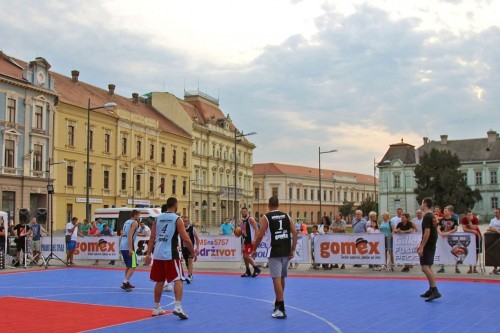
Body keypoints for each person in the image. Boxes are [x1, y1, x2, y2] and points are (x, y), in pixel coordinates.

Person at [145, 197, 197, 319]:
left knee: (159, 280)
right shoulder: (177, 219)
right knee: (178, 278)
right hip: (170, 254)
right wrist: (193, 251)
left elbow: (152, 238)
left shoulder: (157, 219)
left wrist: (148, 254)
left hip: (157, 254)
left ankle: (156, 307)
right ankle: (178, 306)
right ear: (175, 205)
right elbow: (185, 238)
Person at [252, 196, 298, 319]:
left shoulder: (266, 217)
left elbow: (260, 235)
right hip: (286, 250)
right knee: (282, 277)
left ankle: (281, 308)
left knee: (276, 279)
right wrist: (293, 249)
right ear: (278, 204)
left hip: (274, 250)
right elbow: (295, 232)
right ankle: (278, 302)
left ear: (268, 204)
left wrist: (254, 249)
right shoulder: (286, 216)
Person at [417, 198, 441, 302]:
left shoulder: (427, 217)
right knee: (428, 266)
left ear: (425, 204)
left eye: (422, 203)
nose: (421, 205)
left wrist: (422, 246)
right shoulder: (432, 216)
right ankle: (431, 289)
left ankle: (434, 289)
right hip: (431, 243)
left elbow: (427, 232)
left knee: (424, 267)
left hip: (428, 244)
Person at [119, 210, 139, 291]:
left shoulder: (126, 222)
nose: (139, 217)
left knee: (128, 265)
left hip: (123, 245)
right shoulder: (134, 223)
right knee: (133, 266)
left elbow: (123, 233)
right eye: (138, 215)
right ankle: (125, 282)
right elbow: (130, 236)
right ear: (135, 215)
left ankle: (127, 282)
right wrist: (131, 248)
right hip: (128, 246)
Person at [437, 206, 459, 274]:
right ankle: (442, 267)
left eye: (445, 211)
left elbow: (455, 228)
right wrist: (441, 233)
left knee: (454, 251)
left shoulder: (454, 220)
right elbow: (438, 228)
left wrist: (448, 233)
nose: (444, 212)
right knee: (443, 251)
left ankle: (456, 267)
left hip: (452, 238)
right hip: (443, 238)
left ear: (449, 212)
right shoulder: (442, 220)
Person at [241, 207, 261, 277]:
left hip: (251, 240)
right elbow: (243, 231)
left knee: (246, 256)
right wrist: (238, 232)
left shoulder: (251, 219)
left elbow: (256, 228)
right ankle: (248, 271)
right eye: (242, 211)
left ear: (247, 212)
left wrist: (255, 239)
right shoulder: (242, 220)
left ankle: (256, 268)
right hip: (246, 240)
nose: (243, 212)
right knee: (244, 256)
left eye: (244, 211)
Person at [181, 216, 200, 282]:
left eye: (186, 221)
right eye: (183, 221)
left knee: (190, 261)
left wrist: (197, 248)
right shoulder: (180, 229)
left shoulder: (192, 229)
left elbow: (197, 239)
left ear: (188, 221)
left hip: (190, 248)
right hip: (183, 248)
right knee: (187, 263)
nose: (184, 223)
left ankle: (189, 276)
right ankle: (190, 274)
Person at [487, 208, 500, 275]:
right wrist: (497, 230)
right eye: (495, 212)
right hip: (493, 238)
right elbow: (489, 228)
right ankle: (495, 268)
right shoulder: (492, 220)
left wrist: (494, 229)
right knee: (494, 253)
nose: (495, 214)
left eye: (497, 212)